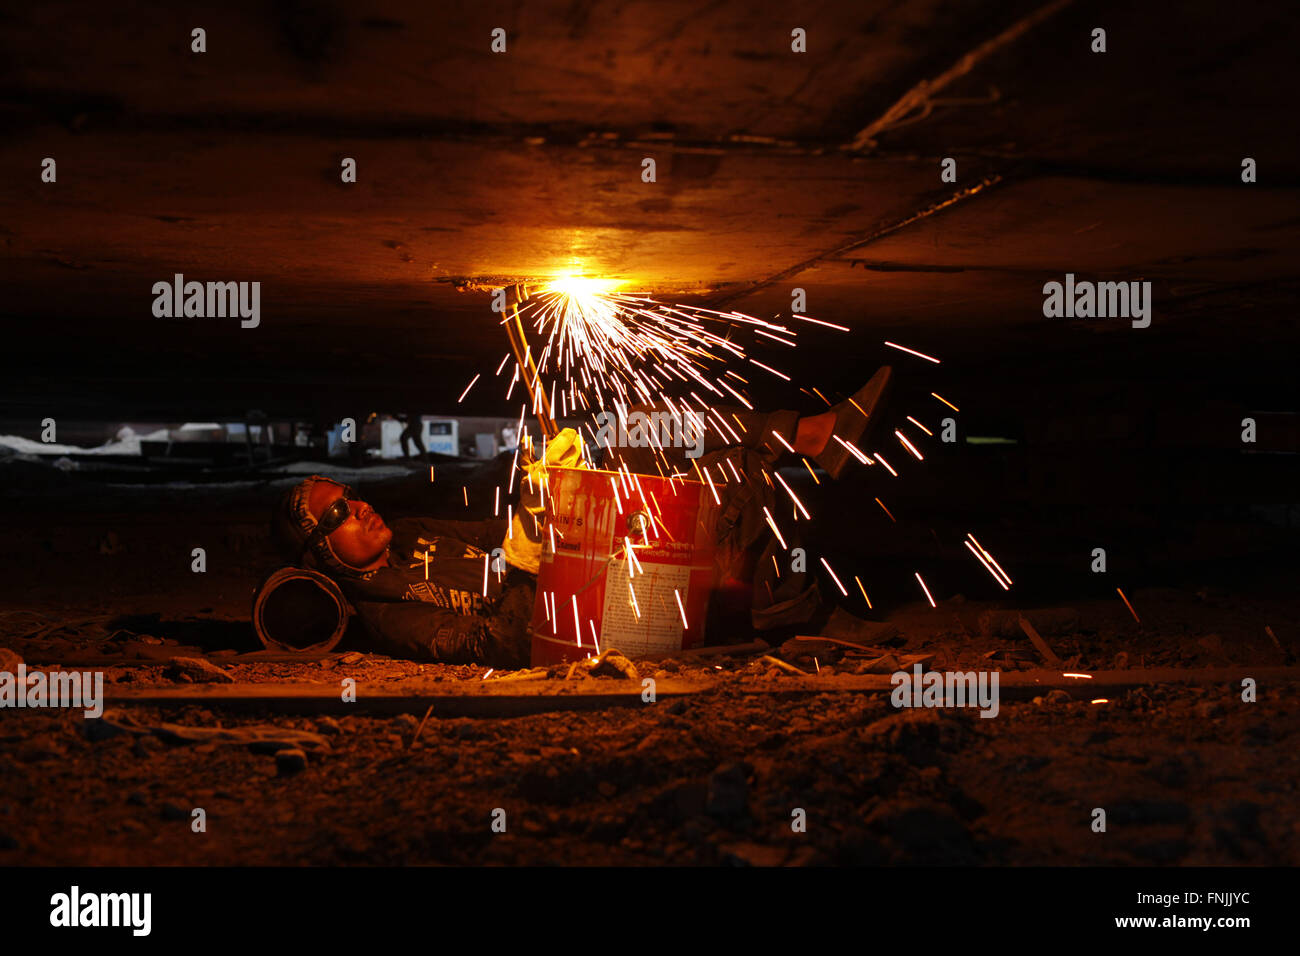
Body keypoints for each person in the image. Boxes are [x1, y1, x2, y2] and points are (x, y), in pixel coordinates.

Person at [270, 368, 892, 665]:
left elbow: (505, 531)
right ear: (321, 554)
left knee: (621, 429)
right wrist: (521, 561)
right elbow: (503, 644)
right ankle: (764, 603)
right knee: (730, 489)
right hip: (602, 617)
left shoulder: (410, 534)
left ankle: (804, 440)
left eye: (352, 495)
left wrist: (551, 485)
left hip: (600, 574)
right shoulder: (388, 616)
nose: (363, 507)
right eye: (341, 515)